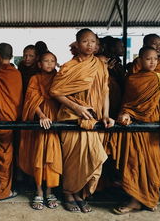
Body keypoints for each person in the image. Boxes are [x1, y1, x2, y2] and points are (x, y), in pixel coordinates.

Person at [50, 28, 114, 213]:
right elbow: (54, 91)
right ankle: (68, 193)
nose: (89, 45)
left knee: (94, 156)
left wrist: (105, 115)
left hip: (94, 118)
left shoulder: (100, 66)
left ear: (97, 44)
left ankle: (80, 193)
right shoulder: (69, 67)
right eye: (85, 41)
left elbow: (104, 92)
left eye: (93, 41)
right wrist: (77, 108)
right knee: (73, 158)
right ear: (77, 44)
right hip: (71, 117)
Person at [113, 46, 160, 214]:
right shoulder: (132, 79)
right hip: (136, 129)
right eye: (148, 58)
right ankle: (135, 200)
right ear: (140, 60)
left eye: (155, 59)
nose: (152, 62)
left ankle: (149, 198)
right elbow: (127, 104)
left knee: (151, 166)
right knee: (134, 164)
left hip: (155, 131)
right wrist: (125, 114)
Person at [19, 51, 62, 210]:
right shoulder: (35, 79)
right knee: (39, 156)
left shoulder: (59, 77)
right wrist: (42, 116)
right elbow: (31, 100)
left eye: (53, 61)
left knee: (53, 156)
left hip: (56, 121)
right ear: (39, 64)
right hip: (40, 120)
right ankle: (39, 191)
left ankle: (50, 190)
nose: (49, 64)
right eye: (46, 61)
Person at [0, 43, 22, 200]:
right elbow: (18, 99)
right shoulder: (16, 74)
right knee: (6, 156)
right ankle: (2, 191)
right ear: (12, 56)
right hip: (11, 120)